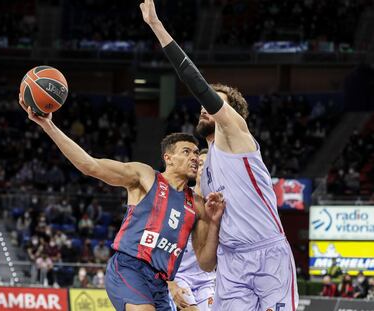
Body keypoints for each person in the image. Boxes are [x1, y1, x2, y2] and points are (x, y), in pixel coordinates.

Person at [140, 1, 298, 309]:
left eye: (213, 103)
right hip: (230, 262)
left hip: (267, 254)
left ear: (231, 114)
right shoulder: (203, 168)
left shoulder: (238, 135)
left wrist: (156, 26)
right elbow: (206, 261)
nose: (203, 106)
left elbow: (194, 80)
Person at [19, 98, 225, 311]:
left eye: (195, 153)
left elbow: (207, 263)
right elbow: (90, 165)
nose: (194, 157)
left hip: (161, 281)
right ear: (168, 158)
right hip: (129, 267)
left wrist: (215, 223)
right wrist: (48, 125)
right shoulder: (145, 177)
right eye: (187, 152)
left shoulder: (198, 205)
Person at [169, 150, 215, 311]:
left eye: (208, 164)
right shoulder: (180, 198)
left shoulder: (222, 205)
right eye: (200, 164)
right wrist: (169, 282)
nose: (203, 168)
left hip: (207, 280)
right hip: (179, 275)